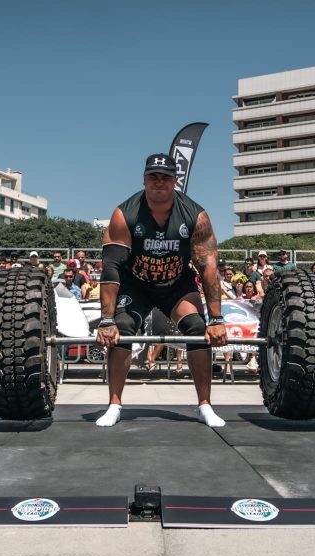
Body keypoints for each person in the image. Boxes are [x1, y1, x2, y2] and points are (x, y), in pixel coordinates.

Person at [94, 153, 228, 428]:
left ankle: (205, 405)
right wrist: (106, 321)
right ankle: (114, 404)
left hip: (176, 283)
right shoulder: (124, 214)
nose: (159, 182)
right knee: (122, 328)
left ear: (174, 181)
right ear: (144, 180)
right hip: (136, 284)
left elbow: (209, 266)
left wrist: (216, 320)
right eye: (153, 177)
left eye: (165, 177)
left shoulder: (195, 215)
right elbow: (110, 268)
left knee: (196, 328)